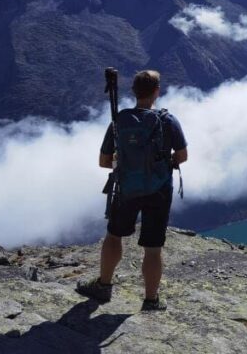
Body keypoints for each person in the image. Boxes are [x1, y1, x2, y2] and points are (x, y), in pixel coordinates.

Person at [76, 70, 187, 311]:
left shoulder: (120, 121)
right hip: (158, 191)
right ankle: (151, 300)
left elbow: (104, 161)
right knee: (153, 247)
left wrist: (124, 161)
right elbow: (182, 156)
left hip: (126, 188)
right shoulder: (167, 120)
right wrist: (163, 163)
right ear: (157, 91)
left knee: (114, 236)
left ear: (135, 91)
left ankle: (104, 285)